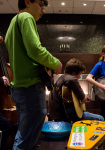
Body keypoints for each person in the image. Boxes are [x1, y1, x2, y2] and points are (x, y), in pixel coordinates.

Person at [4, 0, 62, 150]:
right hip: (30, 87)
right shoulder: (26, 17)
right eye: (41, 5)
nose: (43, 10)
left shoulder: (13, 22)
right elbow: (35, 50)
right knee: (26, 140)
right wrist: (56, 63)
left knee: (23, 134)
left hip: (20, 87)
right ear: (28, 1)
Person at [49, 58, 104, 122]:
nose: (79, 77)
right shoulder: (72, 79)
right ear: (74, 73)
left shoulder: (62, 78)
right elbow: (83, 98)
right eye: (79, 74)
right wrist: (84, 97)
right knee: (100, 118)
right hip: (66, 116)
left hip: (57, 115)